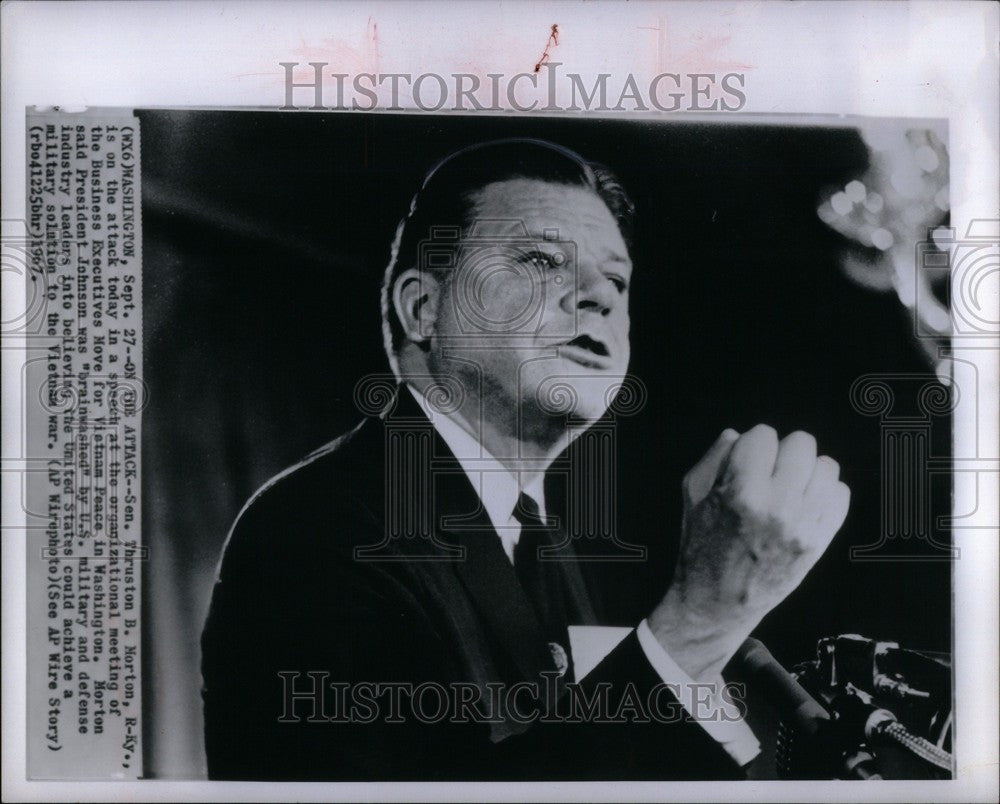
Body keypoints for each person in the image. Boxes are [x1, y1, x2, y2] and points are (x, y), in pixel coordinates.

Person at [201, 138, 850, 780]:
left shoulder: (541, 548)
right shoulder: (313, 529)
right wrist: (703, 622)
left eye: (617, 279)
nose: (600, 296)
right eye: (542, 259)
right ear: (423, 308)